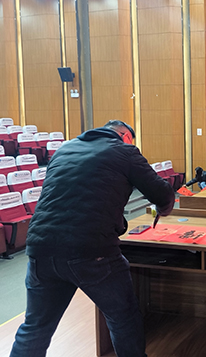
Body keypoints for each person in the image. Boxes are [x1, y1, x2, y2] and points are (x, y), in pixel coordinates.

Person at [10, 120, 175, 357]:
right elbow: (163, 194)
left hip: (40, 246)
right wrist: (163, 208)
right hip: (90, 249)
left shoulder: (65, 149)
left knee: (35, 326)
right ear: (125, 136)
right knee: (123, 317)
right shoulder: (124, 151)